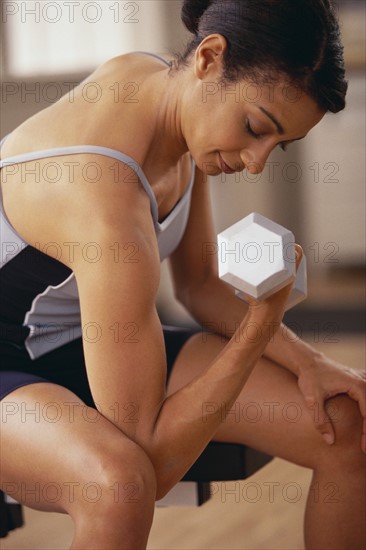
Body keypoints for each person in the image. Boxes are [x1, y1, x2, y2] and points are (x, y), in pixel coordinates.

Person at [0, 0, 364, 548]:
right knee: (119, 486)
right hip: (9, 365)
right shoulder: (103, 204)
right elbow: (154, 459)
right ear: (210, 57)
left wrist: (310, 363)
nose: (258, 160)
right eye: (254, 127)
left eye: (278, 143)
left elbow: (198, 284)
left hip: (77, 342)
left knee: (344, 427)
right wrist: (261, 321)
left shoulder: (164, 91)